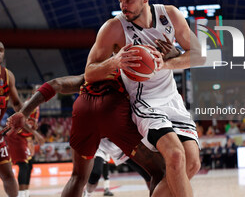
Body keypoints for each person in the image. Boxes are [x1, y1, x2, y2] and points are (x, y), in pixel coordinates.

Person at [85, 0, 205, 197]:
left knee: (192, 163)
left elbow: (199, 56)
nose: (123, 6)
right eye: (120, 1)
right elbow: (89, 72)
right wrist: (115, 61)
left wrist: (166, 63)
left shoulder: (170, 15)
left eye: (128, 0)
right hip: (143, 102)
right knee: (176, 156)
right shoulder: (114, 28)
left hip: (172, 99)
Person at [7, 74, 165, 197]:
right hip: (114, 118)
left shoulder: (91, 74)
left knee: (78, 177)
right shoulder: (131, 74)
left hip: (85, 112)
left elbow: (56, 84)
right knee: (158, 171)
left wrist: (23, 113)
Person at [84, 138, 152, 197]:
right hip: (99, 145)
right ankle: (88, 194)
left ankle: (155, 194)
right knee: (95, 173)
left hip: (118, 143)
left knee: (146, 172)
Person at [5, 106, 44, 197]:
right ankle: (21, 194)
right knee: (24, 165)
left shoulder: (37, 107)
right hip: (16, 136)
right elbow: (21, 121)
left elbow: (30, 124)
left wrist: (32, 138)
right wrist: (36, 134)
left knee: (29, 165)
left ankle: (26, 193)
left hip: (25, 138)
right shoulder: (30, 104)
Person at [0, 41, 22, 197]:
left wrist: (22, 117)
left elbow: (17, 104)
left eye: (1, 50)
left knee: (7, 174)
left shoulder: (7, 76)